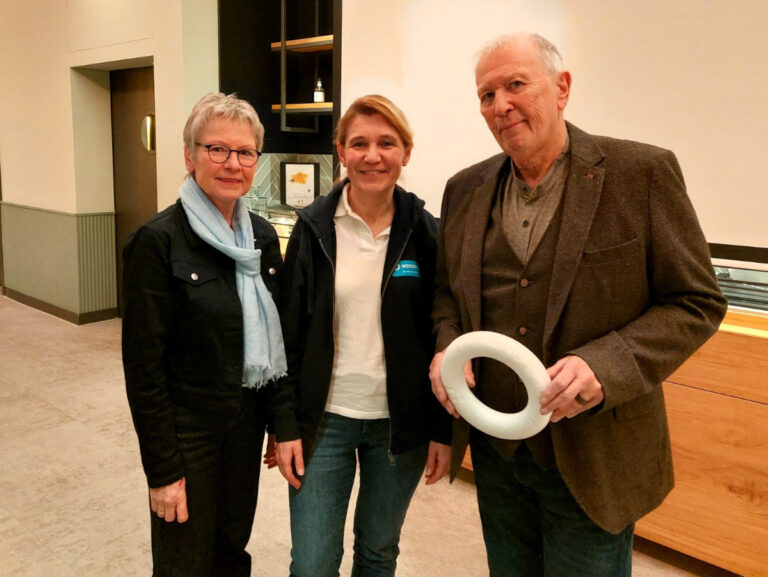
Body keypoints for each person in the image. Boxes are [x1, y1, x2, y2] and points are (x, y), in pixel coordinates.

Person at [429, 33, 728, 577]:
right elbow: (449, 292)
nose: (501, 105)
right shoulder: (463, 189)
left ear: (562, 88)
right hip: (498, 453)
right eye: (486, 95)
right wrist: (449, 343)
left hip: (594, 457)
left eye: (516, 85)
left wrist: (606, 364)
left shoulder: (642, 174)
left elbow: (696, 301)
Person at [270, 94, 452, 577]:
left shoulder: (428, 234)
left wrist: (443, 429)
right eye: (360, 143)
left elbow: (444, 336)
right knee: (312, 562)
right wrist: (283, 425)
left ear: (406, 153)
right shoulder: (312, 229)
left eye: (386, 143)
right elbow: (287, 336)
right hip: (323, 421)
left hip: (399, 425)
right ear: (342, 152)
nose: (373, 156)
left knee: (377, 553)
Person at [122, 92, 286, 577]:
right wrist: (163, 471)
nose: (232, 163)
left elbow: (276, 337)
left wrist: (278, 421)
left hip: (245, 425)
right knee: (184, 562)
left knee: (231, 551)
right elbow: (143, 370)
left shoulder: (261, 237)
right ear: (189, 156)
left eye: (245, 152)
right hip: (187, 433)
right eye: (217, 149)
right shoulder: (157, 242)